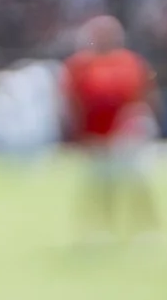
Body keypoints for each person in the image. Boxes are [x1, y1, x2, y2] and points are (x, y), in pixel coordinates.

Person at [64, 15, 158, 242]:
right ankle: (100, 230)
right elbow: (73, 102)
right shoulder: (79, 66)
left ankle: (146, 230)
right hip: (96, 136)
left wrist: (132, 125)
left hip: (127, 134)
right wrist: (79, 133)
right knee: (100, 186)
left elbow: (142, 96)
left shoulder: (131, 62)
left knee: (137, 182)